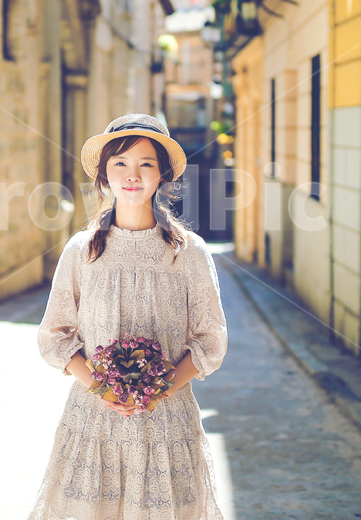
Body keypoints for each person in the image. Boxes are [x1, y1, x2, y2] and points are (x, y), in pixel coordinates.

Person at [27, 113, 229, 520]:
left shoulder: (188, 252)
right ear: (104, 176)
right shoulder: (82, 251)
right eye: (119, 163)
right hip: (93, 423)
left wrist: (158, 388)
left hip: (166, 423)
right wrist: (102, 389)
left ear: (162, 176)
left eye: (146, 164)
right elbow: (54, 335)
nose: (132, 175)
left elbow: (211, 339)